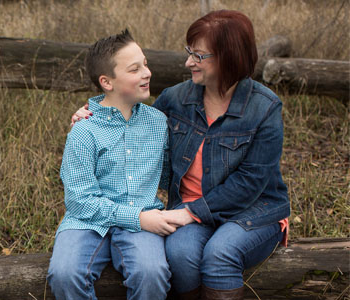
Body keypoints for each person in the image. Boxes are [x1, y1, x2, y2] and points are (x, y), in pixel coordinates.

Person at [71, 10, 290, 300]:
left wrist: (189, 213)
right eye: (190, 52)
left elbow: (252, 181)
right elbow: (129, 120)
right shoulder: (176, 99)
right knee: (180, 254)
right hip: (188, 207)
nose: (188, 62)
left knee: (220, 254)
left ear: (228, 58)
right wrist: (91, 115)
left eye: (199, 56)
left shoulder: (264, 108)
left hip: (252, 210)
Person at [47, 29, 180, 300]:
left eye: (146, 63)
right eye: (135, 69)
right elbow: (79, 202)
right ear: (107, 82)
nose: (147, 73)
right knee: (64, 274)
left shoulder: (157, 122)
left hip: (142, 216)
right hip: (86, 221)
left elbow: (169, 176)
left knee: (152, 273)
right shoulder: (85, 130)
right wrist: (136, 218)